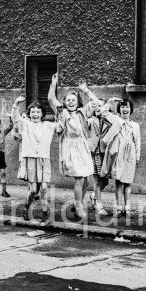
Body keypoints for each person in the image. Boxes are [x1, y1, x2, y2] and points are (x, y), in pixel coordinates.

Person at [48, 74, 95, 218]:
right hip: (70, 148)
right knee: (80, 179)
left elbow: (94, 102)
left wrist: (85, 90)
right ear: (65, 102)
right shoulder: (62, 113)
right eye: (68, 100)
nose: (71, 102)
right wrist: (53, 84)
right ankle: (79, 206)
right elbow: (51, 99)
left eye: (73, 100)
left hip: (82, 148)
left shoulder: (82, 112)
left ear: (78, 102)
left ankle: (77, 203)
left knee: (87, 180)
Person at [11, 95, 59, 222]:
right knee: (32, 190)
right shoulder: (25, 124)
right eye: (33, 112)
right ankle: (26, 206)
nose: (35, 114)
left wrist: (59, 109)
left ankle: (44, 212)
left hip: (43, 160)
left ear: (42, 113)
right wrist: (16, 104)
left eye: (38, 112)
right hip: (30, 159)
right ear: (29, 114)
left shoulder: (48, 125)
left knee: (43, 188)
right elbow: (15, 118)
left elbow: (61, 125)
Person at [100, 98, 141, 216]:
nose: (125, 109)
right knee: (118, 181)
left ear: (131, 109)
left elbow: (138, 142)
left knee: (128, 182)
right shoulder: (115, 120)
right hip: (118, 153)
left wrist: (137, 157)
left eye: (127, 107)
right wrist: (111, 100)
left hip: (130, 154)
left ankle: (127, 207)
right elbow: (104, 112)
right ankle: (118, 207)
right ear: (119, 109)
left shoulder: (135, 125)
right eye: (122, 107)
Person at [86, 98, 111, 215]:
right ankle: (99, 206)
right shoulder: (91, 120)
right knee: (97, 180)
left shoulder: (108, 121)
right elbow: (84, 124)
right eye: (96, 106)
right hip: (95, 152)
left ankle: (94, 196)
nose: (98, 108)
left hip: (105, 153)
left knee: (105, 181)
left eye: (100, 106)